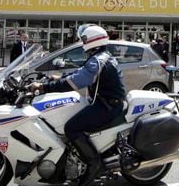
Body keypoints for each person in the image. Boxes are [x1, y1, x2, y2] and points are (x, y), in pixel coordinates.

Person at [28, 24, 125, 185]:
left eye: (84, 38)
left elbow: (77, 81)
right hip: (104, 102)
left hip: (107, 107)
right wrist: (57, 78)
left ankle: (94, 164)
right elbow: (82, 72)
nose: (82, 41)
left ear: (92, 40)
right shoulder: (99, 56)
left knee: (71, 127)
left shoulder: (99, 60)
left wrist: (44, 87)